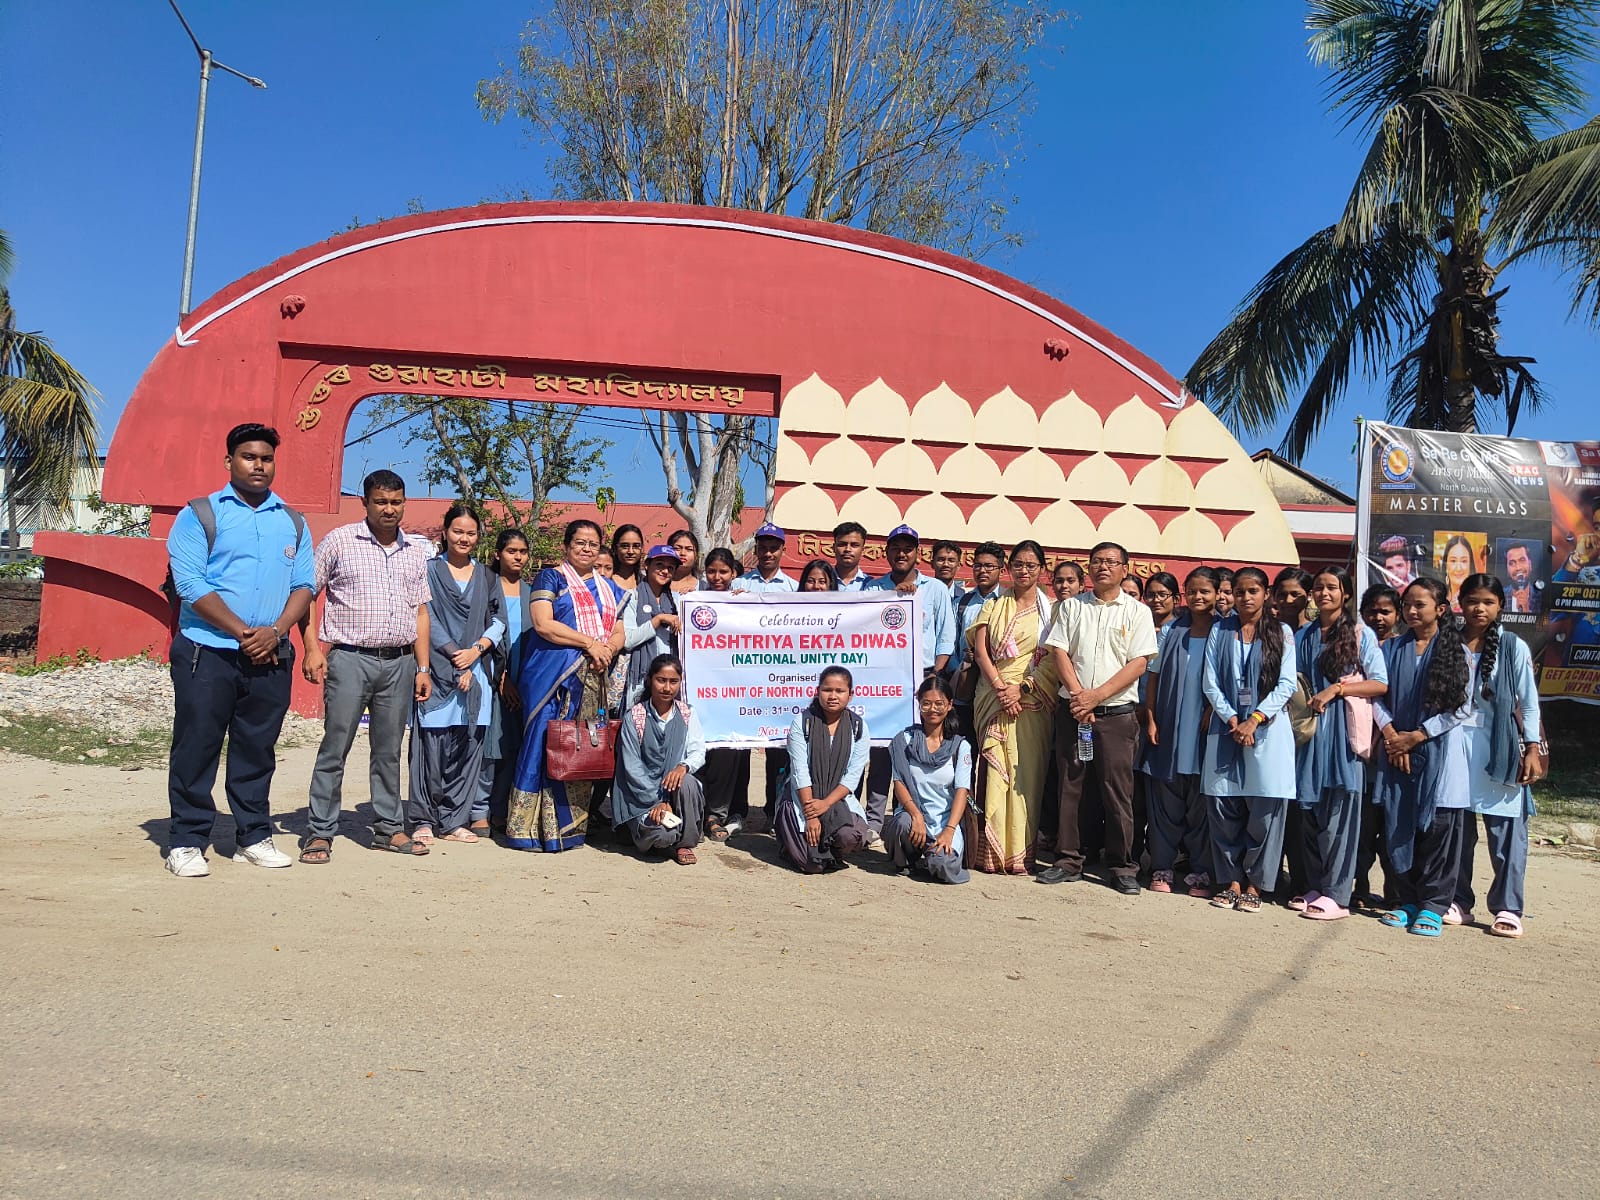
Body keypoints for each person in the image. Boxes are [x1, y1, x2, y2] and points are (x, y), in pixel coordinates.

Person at [163, 422, 314, 878]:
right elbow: (190, 584)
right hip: (206, 652)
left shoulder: (291, 520)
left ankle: (253, 835)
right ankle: (187, 839)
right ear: (229, 461)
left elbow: (305, 583)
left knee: (256, 747)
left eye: (266, 458)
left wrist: (277, 630)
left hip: (271, 656)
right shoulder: (201, 514)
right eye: (249, 457)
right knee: (198, 745)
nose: (259, 465)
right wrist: (247, 632)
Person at [300, 469, 434, 864]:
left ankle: (388, 829)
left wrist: (422, 666)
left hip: (399, 663)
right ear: (365, 503)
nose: (389, 509)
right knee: (334, 746)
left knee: (388, 751)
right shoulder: (340, 541)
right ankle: (320, 832)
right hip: (350, 659)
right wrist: (312, 648)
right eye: (381, 502)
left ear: (404, 503)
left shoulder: (416, 551)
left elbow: (420, 612)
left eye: (395, 502)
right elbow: (307, 592)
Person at [1038, 541, 1158, 894]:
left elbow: (1139, 663)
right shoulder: (1073, 607)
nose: (1102, 567)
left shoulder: (1137, 612)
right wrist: (1079, 697)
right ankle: (1068, 859)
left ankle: (1122, 866)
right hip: (1073, 713)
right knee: (1070, 786)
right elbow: (1058, 650)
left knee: (1117, 790)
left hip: (1116, 716)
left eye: (1111, 562)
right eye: (1097, 561)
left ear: (1124, 568)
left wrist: (1096, 697)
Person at [505, 519, 628, 852]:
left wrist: (608, 649)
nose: (587, 549)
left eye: (593, 543)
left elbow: (619, 630)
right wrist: (590, 643)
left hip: (591, 678)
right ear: (566, 545)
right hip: (551, 676)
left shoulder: (609, 588)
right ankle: (527, 829)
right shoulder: (551, 577)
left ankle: (569, 829)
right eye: (580, 543)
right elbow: (544, 625)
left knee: (578, 749)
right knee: (542, 744)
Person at [1374, 577, 1474, 937]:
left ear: (1441, 610)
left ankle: (1434, 905)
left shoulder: (1455, 651)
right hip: (1396, 750)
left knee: (1437, 831)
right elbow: (1376, 696)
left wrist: (1417, 736)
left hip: (1439, 754)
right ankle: (1407, 901)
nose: (1411, 611)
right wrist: (1391, 736)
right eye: (1407, 605)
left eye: (1420, 605)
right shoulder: (1392, 649)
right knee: (1399, 826)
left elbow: (1463, 706)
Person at [1290, 567, 1389, 920]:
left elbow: (1380, 684)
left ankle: (1338, 893)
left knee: (1340, 814)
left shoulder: (1361, 635)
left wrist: (1338, 688)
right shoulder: (1303, 635)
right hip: (1308, 732)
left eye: (1332, 587)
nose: (1324, 593)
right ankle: (1316, 885)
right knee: (1309, 812)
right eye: (1318, 587)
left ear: (1345, 594)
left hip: (1343, 734)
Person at [1451, 575, 1543, 938]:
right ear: (1460, 603)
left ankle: (1508, 907)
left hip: (1501, 750)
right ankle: (1458, 900)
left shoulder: (1512, 647)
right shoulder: (1449, 643)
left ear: (1500, 606)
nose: (1479, 608)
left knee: (1506, 835)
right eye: (1472, 601)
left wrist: (1532, 748)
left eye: (1488, 602)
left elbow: (1529, 703)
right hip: (1456, 748)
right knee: (1457, 833)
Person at [1201, 567, 1298, 912]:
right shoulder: (1220, 630)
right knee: (1223, 805)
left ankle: (1255, 886)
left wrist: (1254, 720)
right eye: (1239, 591)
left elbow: (1287, 684)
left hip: (1267, 730)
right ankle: (1230, 881)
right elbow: (1210, 680)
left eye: (1252, 590)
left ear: (1265, 593)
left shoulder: (1281, 632)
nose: (1244, 597)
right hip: (1226, 727)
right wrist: (1232, 718)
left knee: (1264, 810)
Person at [968, 540, 1059, 875]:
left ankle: (1020, 854)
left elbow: (1052, 659)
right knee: (995, 773)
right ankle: (990, 853)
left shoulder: (1050, 613)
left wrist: (1020, 689)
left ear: (1041, 570)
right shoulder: (993, 604)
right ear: (1009, 568)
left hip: (1032, 701)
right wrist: (1001, 688)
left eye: (1031, 565)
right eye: (1018, 564)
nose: (1024, 570)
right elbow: (981, 652)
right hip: (993, 696)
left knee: (1026, 778)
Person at [864, 524, 957, 842]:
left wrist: (934, 678)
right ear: (886, 552)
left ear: (918, 553)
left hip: (924, 679)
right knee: (881, 750)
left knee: (916, 752)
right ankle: (874, 822)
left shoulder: (936, 590)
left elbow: (946, 638)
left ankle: (911, 817)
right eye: (896, 548)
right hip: (885, 681)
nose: (901, 553)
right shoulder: (873, 590)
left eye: (908, 548)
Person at [1140, 567, 1218, 897]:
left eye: (1206, 591)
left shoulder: (1223, 631)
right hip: (1170, 729)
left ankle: (1200, 872)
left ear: (1216, 593)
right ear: (1184, 594)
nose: (1199, 597)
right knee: (1165, 805)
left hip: (1206, 733)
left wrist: (1213, 710)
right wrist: (1152, 717)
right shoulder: (1172, 630)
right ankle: (1162, 867)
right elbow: (1153, 676)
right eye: (1193, 591)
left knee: (1200, 807)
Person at [612, 654, 706, 865]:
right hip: (642, 798)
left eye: (673, 682)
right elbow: (632, 767)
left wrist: (684, 766)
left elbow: (698, 751)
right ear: (649, 680)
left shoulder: (687, 713)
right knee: (662, 836)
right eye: (661, 680)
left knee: (689, 782)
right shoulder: (634, 716)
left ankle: (685, 843)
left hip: (675, 795)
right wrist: (657, 802)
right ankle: (667, 833)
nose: (667, 688)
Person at [775, 667, 872, 873]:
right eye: (828, 690)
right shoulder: (803, 722)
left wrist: (826, 804)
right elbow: (800, 771)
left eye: (840, 691)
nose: (833, 696)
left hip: (836, 800)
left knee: (852, 836)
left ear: (850, 695)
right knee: (810, 866)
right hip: (803, 799)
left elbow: (853, 776)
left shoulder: (858, 727)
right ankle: (788, 842)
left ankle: (834, 851)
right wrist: (811, 815)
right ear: (818, 691)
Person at [885, 676, 972, 884]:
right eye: (926, 703)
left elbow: (962, 791)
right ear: (919, 704)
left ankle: (934, 861)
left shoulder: (960, 747)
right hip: (913, 817)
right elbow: (899, 783)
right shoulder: (903, 741)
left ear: (950, 705)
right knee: (901, 823)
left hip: (944, 821)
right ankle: (908, 860)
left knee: (944, 867)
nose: (932, 709)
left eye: (939, 703)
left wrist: (949, 830)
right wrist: (916, 815)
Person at [479, 528, 533, 838]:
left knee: (513, 747)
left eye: (523, 552)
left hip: (523, 682)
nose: (518, 557)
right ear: (498, 553)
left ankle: (502, 810)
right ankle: (480, 809)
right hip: (492, 678)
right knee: (490, 746)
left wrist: (519, 681)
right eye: (511, 551)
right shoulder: (485, 587)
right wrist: (500, 677)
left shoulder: (532, 592)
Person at [696, 548, 751, 840]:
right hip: (705, 688)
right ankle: (701, 810)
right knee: (703, 751)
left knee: (732, 751)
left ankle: (724, 812)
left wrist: (745, 605)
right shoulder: (694, 601)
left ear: (734, 573)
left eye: (724, 572)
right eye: (712, 571)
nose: (717, 577)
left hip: (737, 690)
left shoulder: (741, 602)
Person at [1354, 584, 1403, 908]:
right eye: (1372, 611)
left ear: (1397, 614)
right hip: (1362, 753)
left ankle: (1395, 894)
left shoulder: (1403, 649)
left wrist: (1389, 733)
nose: (1378, 617)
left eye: (1385, 611)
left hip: (1395, 748)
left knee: (1392, 830)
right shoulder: (1357, 645)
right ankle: (1358, 888)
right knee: (1361, 829)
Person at [949, 541, 1005, 744]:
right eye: (978, 565)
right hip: (966, 686)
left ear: (1001, 569)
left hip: (997, 684)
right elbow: (951, 642)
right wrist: (960, 668)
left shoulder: (1009, 601)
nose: (982, 571)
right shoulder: (962, 603)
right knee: (963, 745)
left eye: (989, 566)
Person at [619, 544, 682, 710]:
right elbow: (628, 640)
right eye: (659, 565)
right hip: (641, 677)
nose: (665, 571)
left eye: (670, 567)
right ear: (647, 565)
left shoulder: (678, 600)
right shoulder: (632, 597)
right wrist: (658, 619)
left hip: (670, 679)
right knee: (637, 724)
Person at [739, 522, 798, 592]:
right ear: (755, 550)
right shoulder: (738, 584)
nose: (768, 554)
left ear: (783, 551)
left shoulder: (794, 588)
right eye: (763, 548)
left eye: (774, 548)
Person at [830, 521, 875, 591]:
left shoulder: (872, 585)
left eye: (854, 545)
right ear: (834, 548)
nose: (847, 549)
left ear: (863, 550)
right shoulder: (822, 582)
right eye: (842, 544)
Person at [1502, 542, 1540, 614]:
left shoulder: (1542, 599)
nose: (1518, 568)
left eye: (1522, 560)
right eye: (1512, 563)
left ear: (1530, 565)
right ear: (1507, 569)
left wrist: (1526, 611)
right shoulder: (1499, 597)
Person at [1441, 535, 1474, 612]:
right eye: (1453, 561)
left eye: (1464, 561)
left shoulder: (1478, 599)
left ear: (1470, 565)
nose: (1458, 568)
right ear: (1446, 566)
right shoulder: (1436, 598)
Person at [609, 524, 645, 596]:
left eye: (636, 546)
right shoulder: (606, 580)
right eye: (625, 546)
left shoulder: (646, 582)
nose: (630, 551)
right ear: (615, 549)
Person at [668, 528, 703, 593]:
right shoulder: (656, 586)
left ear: (696, 556)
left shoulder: (706, 589)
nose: (683, 553)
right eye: (677, 548)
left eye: (689, 549)